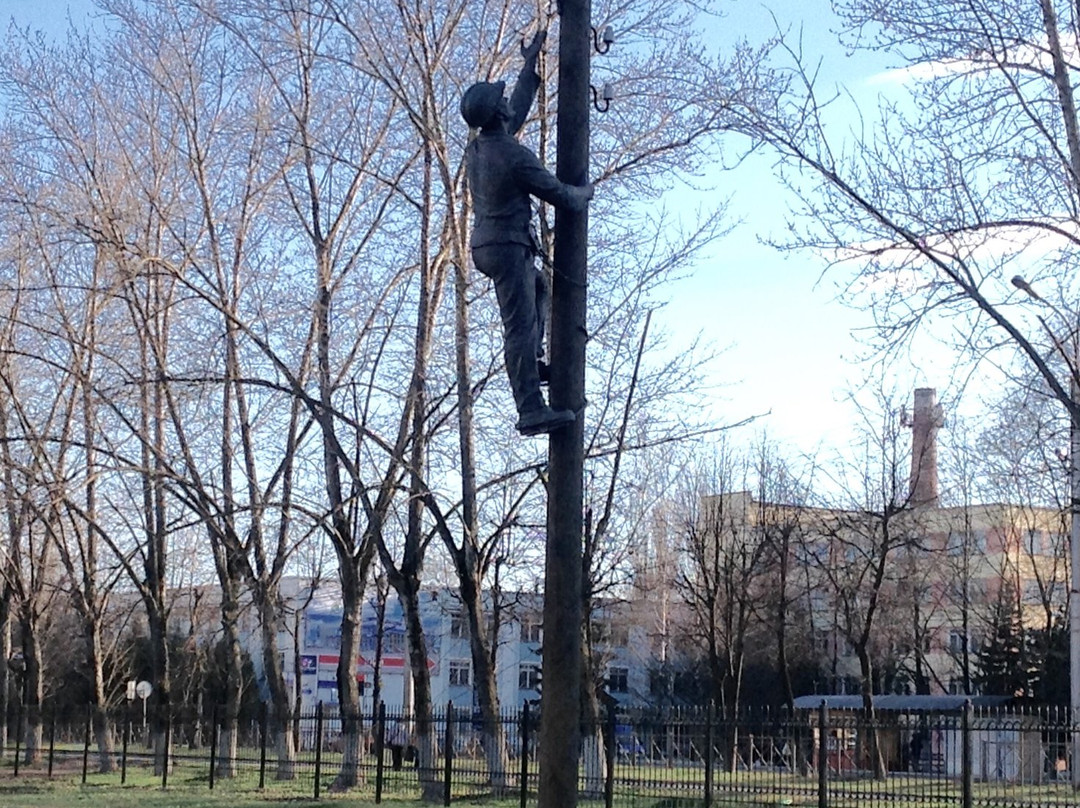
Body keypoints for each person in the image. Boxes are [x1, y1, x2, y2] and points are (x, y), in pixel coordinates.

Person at [461, 31, 594, 436]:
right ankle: (530, 409)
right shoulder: (514, 157)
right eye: (500, 99)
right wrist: (583, 193)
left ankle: (531, 366)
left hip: (488, 246)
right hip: (506, 247)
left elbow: (513, 113)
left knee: (537, 288)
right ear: (495, 114)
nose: (506, 101)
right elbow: (560, 195)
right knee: (518, 327)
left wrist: (529, 67)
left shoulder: (480, 147)